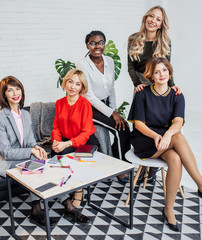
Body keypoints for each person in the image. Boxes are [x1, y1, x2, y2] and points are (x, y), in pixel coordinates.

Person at [128, 58, 202, 232]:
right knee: (179, 138)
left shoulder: (177, 95)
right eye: (157, 71)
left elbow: (178, 122)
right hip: (145, 140)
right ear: (151, 75)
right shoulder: (142, 93)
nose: (161, 74)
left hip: (166, 140)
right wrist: (157, 136)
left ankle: (168, 209)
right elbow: (139, 124)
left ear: (170, 72)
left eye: (164, 70)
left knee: (175, 158)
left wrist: (167, 134)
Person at [0, 76, 54, 227]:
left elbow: (30, 142)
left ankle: (68, 204)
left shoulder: (26, 115)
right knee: (34, 165)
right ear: (4, 95)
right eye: (10, 90)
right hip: (1, 158)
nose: (15, 93)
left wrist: (37, 148)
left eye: (17, 88)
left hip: (20, 153)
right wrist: (31, 152)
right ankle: (36, 210)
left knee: (46, 162)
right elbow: (7, 152)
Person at [128, 5, 182, 182]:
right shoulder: (133, 39)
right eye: (151, 16)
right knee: (141, 125)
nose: (153, 20)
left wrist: (172, 87)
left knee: (161, 123)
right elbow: (131, 67)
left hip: (160, 83)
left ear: (161, 24)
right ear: (145, 18)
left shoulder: (165, 42)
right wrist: (137, 85)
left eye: (158, 19)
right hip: (143, 86)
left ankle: (152, 167)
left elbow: (167, 68)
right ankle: (147, 160)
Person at [77, 30, 131, 183]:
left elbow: (111, 88)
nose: (97, 46)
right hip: (89, 107)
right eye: (92, 43)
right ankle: (121, 169)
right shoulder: (83, 64)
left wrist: (114, 109)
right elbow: (89, 95)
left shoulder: (109, 61)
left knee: (124, 127)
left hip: (105, 104)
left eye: (100, 42)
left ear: (104, 44)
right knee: (119, 128)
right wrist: (112, 114)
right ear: (87, 45)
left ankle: (119, 160)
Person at [51, 68, 100, 224]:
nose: (72, 86)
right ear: (65, 83)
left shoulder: (85, 104)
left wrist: (66, 143)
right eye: (70, 82)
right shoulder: (59, 103)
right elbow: (56, 127)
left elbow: (86, 133)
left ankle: (78, 192)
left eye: (77, 84)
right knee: (56, 158)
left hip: (85, 142)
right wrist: (56, 142)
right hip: (66, 140)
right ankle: (65, 192)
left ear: (82, 87)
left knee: (69, 158)